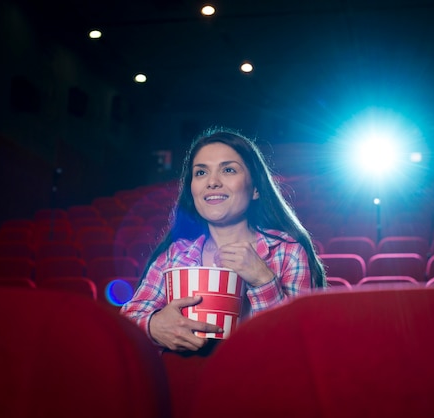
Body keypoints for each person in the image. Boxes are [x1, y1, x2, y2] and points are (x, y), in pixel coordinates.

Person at [121, 127, 326, 352]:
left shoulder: (287, 251)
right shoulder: (175, 254)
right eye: (201, 173)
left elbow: (298, 345)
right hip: (187, 383)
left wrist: (263, 281)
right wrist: (153, 325)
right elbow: (129, 319)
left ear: (255, 189)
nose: (212, 182)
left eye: (228, 170)